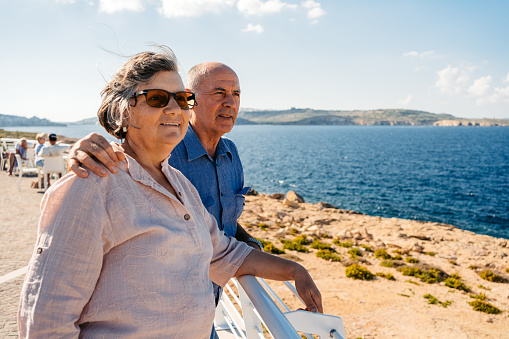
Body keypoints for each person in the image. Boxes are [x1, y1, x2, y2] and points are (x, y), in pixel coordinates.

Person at [18, 46, 322, 338]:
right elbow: (46, 319)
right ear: (123, 111)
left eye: (182, 99)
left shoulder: (179, 186)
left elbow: (224, 252)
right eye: (158, 98)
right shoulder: (93, 183)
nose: (174, 108)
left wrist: (294, 270)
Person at [68, 61, 261, 337]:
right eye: (219, 92)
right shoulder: (166, 148)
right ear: (189, 99)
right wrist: (84, 150)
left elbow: (221, 222)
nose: (230, 102)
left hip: (206, 309)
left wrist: (250, 246)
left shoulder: (231, 154)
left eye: (236, 94)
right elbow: (126, 157)